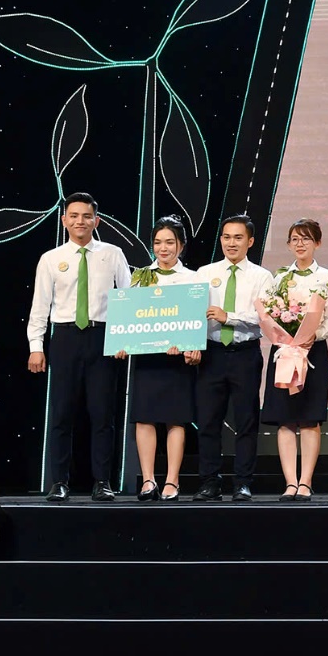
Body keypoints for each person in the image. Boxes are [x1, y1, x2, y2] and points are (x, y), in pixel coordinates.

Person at [27, 192, 131, 503]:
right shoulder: (50, 258)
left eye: (86, 216)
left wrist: (124, 339)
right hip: (65, 339)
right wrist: (36, 346)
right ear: (64, 220)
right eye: (73, 216)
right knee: (62, 414)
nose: (80, 221)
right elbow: (40, 306)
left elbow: (129, 299)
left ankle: (103, 481)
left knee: (102, 415)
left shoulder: (112, 254)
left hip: (103, 338)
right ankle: (59, 482)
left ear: (96, 221)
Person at [193, 214, 274, 503]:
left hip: (245, 354)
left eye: (238, 237)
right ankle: (209, 482)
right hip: (211, 354)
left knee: (246, 421)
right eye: (226, 237)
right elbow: (193, 313)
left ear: (250, 241)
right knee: (208, 421)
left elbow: (264, 318)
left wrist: (229, 317)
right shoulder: (204, 273)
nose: (231, 243)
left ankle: (243, 483)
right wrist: (191, 344)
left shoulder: (262, 276)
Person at [260, 218, 328, 501]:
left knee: (309, 418)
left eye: (306, 238)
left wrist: (312, 335)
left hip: (312, 351)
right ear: (288, 244)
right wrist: (284, 337)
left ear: (317, 242)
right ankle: (290, 483)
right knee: (285, 419)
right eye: (295, 239)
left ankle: (305, 482)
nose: (300, 243)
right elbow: (268, 313)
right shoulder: (279, 277)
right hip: (283, 352)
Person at [127, 215, 202, 502]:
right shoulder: (140, 276)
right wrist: (123, 343)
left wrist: (191, 345)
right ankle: (148, 480)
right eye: (158, 242)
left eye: (170, 242)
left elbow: (197, 318)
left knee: (176, 419)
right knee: (144, 418)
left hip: (177, 361)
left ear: (181, 245)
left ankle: (172, 480)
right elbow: (129, 316)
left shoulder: (193, 278)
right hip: (148, 357)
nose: (163, 248)